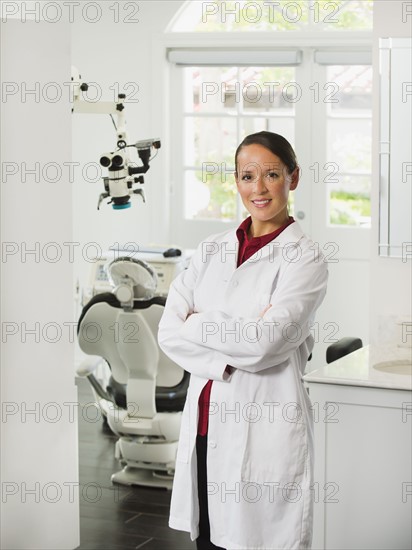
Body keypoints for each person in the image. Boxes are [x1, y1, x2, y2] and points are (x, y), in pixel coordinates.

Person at [158, 131, 328, 550]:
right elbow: (167, 332)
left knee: (257, 540)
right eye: (247, 175)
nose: (259, 188)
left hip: (264, 423)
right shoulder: (211, 249)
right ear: (236, 181)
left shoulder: (305, 259)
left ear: (293, 177)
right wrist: (224, 358)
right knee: (211, 539)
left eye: (272, 174)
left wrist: (198, 324)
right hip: (205, 422)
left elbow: (266, 343)